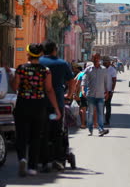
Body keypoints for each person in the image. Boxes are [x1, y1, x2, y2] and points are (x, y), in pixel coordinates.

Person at [12, 43, 61, 177]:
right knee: (36, 137)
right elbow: (49, 90)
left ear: (28, 54)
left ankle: (22, 158)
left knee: (21, 135)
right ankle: (32, 167)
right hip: (39, 106)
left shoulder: (21, 69)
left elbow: (15, 87)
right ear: (39, 55)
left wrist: (12, 78)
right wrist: (56, 109)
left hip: (23, 104)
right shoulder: (45, 70)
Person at [39, 40, 75, 171]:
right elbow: (72, 82)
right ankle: (58, 160)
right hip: (57, 105)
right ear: (55, 49)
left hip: (40, 104)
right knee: (58, 132)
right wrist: (69, 95)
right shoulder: (62, 63)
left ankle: (42, 162)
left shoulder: (38, 63)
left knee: (42, 132)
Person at [81, 53, 111, 136]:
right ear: (92, 59)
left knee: (100, 113)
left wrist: (107, 92)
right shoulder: (88, 69)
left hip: (101, 95)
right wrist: (83, 89)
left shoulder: (104, 69)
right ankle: (90, 129)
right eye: (94, 58)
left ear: (99, 59)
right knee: (90, 113)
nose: (96, 59)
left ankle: (101, 129)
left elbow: (106, 81)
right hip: (91, 95)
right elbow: (84, 80)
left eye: (97, 58)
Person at [102, 56, 117, 126]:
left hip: (109, 90)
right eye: (103, 62)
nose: (104, 63)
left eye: (105, 62)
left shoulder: (112, 70)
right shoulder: (101, 69)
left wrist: (112, 90)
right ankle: (100, 120)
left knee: (107, 105)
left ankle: (107, 120)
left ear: (108, 62)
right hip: (100, 90)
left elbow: (114, 81)